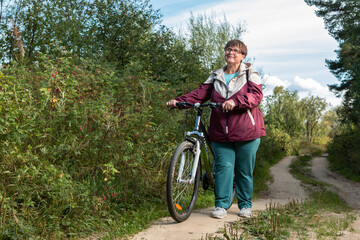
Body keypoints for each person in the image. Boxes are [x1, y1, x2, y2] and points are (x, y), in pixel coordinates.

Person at [166, 39, 266, 219]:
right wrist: (179, 101)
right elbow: (199, 94)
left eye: (236, 50)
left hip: (247, 131)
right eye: (228, 49)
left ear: (243, 56)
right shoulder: (215, 75)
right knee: (223, 167)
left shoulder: (250, 72)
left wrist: (236, 102)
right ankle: (221, 204)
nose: (231, 53)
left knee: (243, 170)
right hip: (220, 131)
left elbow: (256, 96)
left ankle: (245, 205)